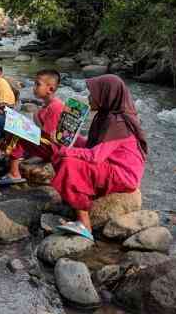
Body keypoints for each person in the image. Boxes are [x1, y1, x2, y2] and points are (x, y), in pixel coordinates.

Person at [51, 74, 147, 241]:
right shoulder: (105, 116)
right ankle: (78, 200)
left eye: (92, 94)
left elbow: (95, 156)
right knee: (62, 154)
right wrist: (67, 139)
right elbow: (94, 146)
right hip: (111, 165)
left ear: (105, 95)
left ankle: (84, 223)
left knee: (68, 163)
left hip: (123, 174)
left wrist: (67, 150)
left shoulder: (118, 123)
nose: (88, 98)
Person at [0, 69, 65, 186]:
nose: (34, 87)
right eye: (34, 84)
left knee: (17, 129)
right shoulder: (46, 105)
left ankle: (14, 173)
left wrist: (25, 127)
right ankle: (11, 155)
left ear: (50, 89)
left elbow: (49, 136)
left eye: (38, 84)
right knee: (15, 125)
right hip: (46, 145)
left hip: (52, 149)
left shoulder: (55, 107)